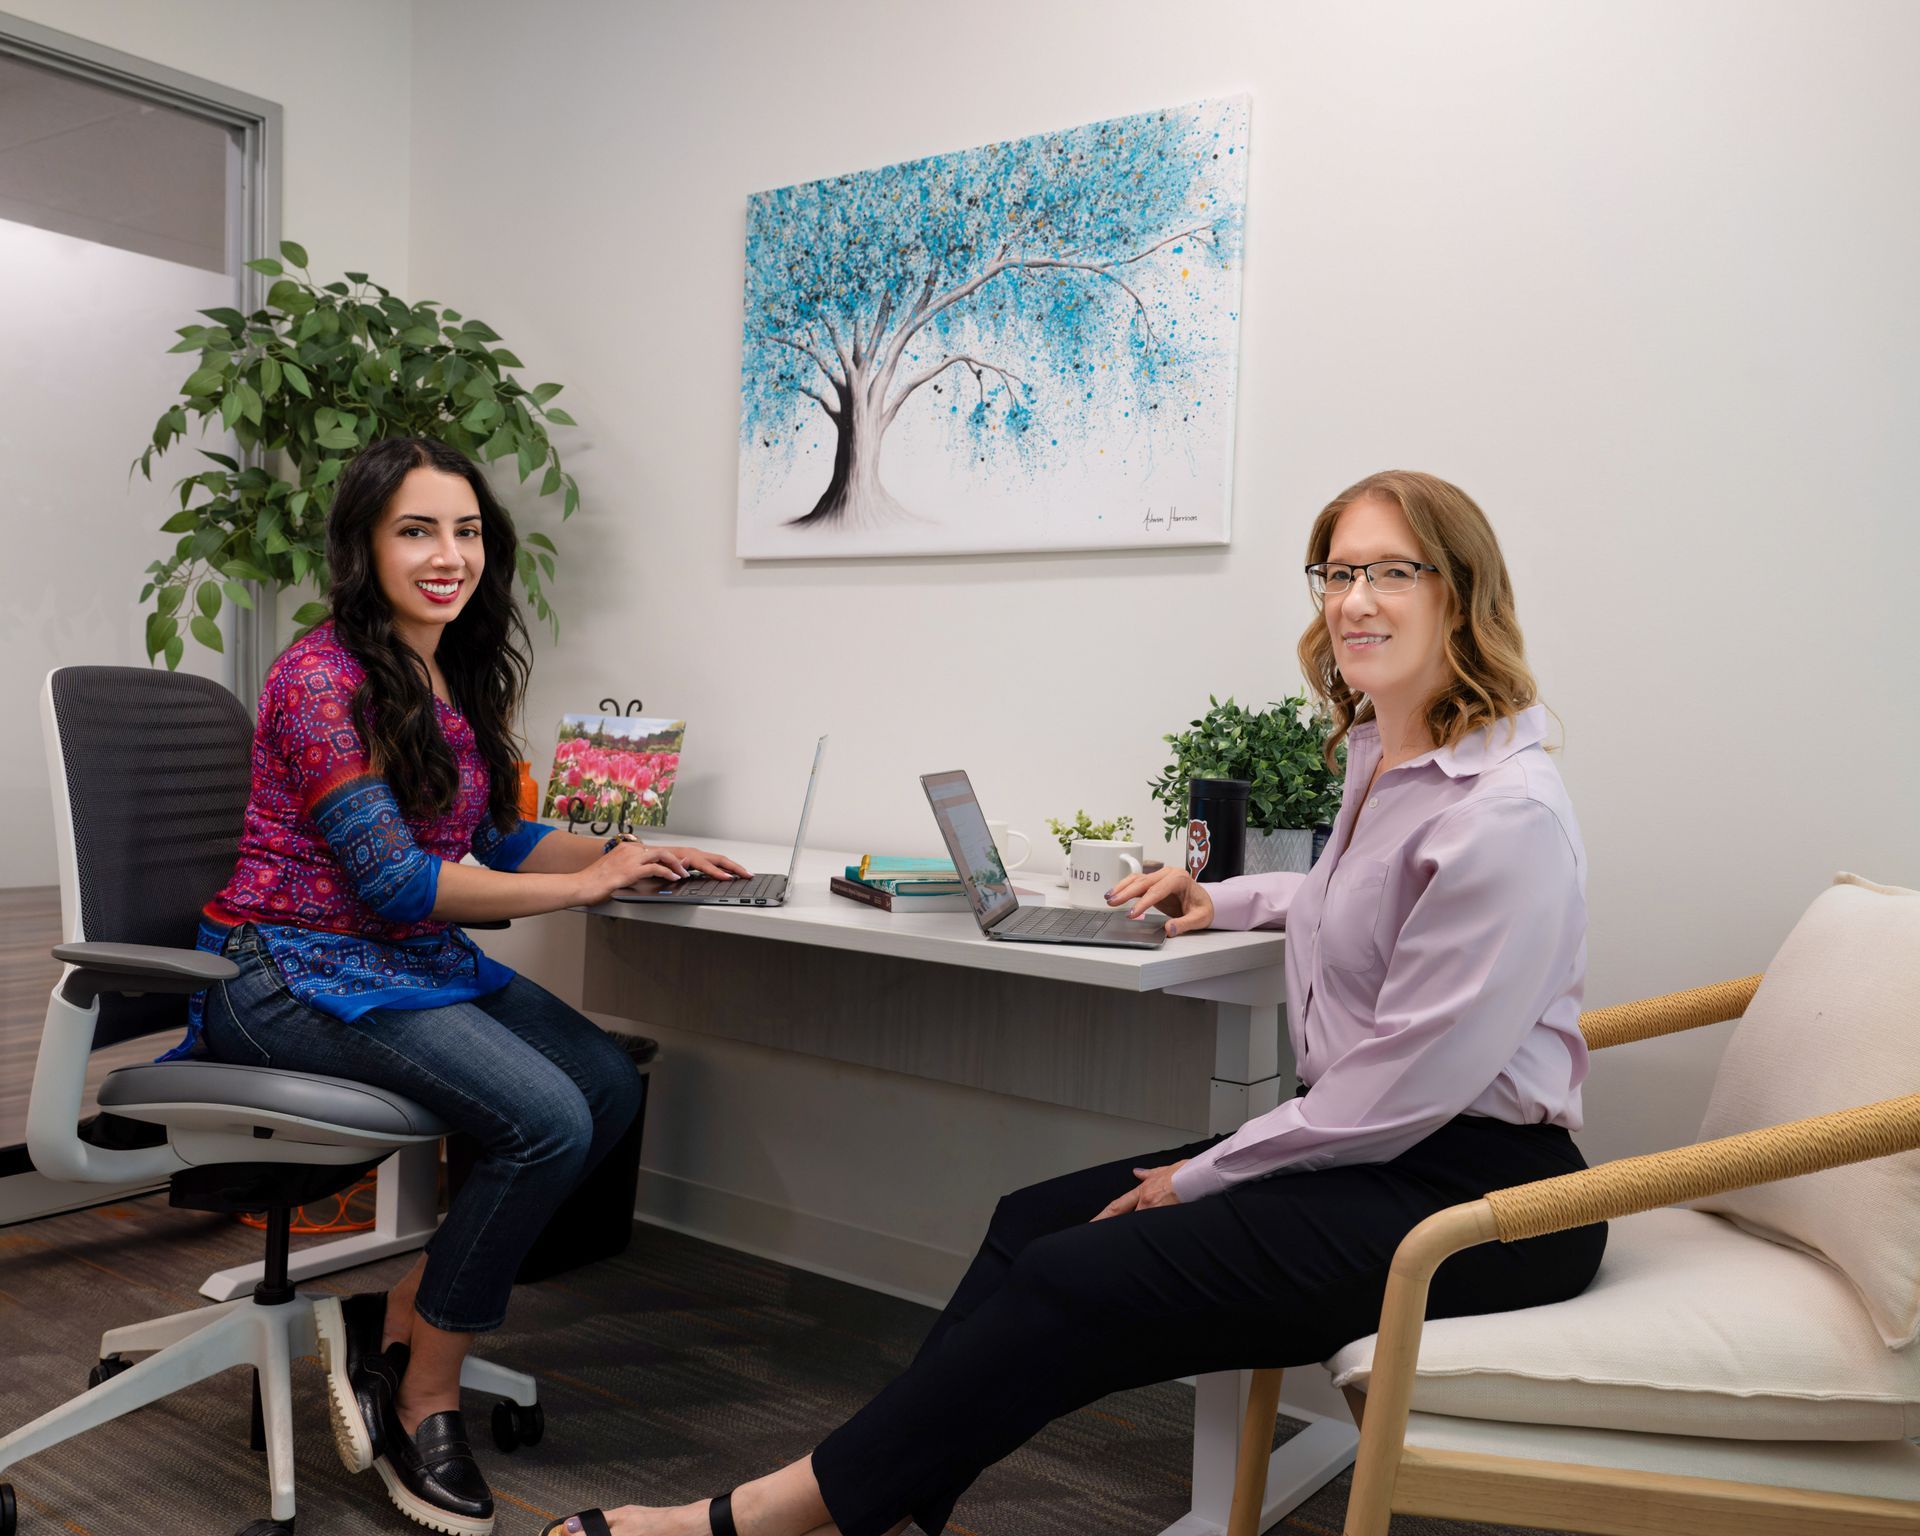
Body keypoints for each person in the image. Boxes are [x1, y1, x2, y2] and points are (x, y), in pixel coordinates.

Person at [542, 470, 1608, 1536]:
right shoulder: (1389, 751)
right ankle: (895, 1502)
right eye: (1337, 572)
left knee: (1077, 1277)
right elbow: (1357, 902)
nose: (1354, 600)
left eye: (1390, 572)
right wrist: (1220, 894)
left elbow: (1399, 1089)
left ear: (1460, 593)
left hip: (1480, 1201)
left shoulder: (1500, 813)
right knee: (1030, 1221)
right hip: (1377, 1152)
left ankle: (752, 1519)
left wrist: (1201, 1172)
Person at [187, 436, 750, 1536]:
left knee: (602, 1087)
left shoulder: (450, 663)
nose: (449, 556)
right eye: (416, 531)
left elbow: (490, 834)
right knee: (541, 1119)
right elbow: (398, 880)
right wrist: (586, 890)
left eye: (467, 530)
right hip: (290, 968)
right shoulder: (319, 678)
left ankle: (399, 1313)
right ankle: (424, 1388)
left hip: (396, 964)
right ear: (363, 545)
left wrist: (635, 852)